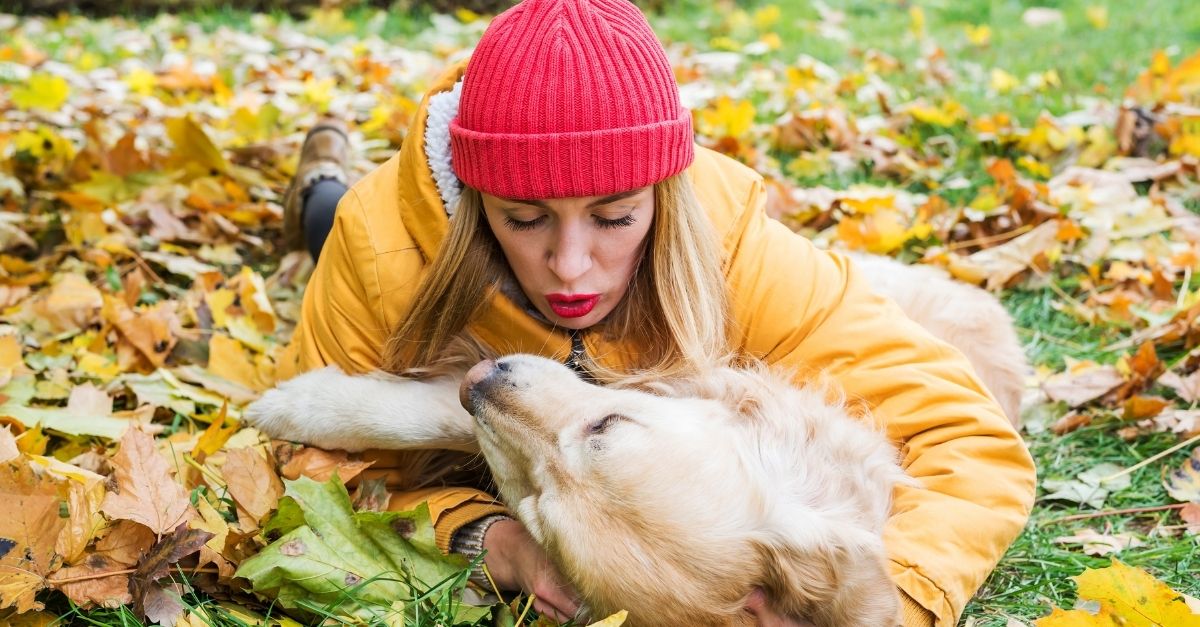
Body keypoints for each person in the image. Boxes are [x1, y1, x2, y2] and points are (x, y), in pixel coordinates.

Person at [273, 0, 1036, 625]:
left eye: (614, 218)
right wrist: (493, 538)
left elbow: (970, 439)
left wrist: (884, 604)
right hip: (364, 237)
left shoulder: (735, 244)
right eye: (523, 217)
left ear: (662, 199)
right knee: (326, 222)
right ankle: (319, 189)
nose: (571, 266)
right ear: (473, 201)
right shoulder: (379, 248)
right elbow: (308, 471)